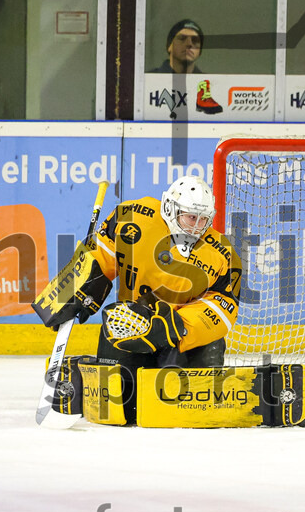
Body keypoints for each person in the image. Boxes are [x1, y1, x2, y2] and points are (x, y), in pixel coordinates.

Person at [33, 175, 241, 423]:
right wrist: (77, 285)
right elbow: (102, 252)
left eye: (203, 219)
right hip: (131, 325)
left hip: (181, 336)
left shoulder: (222, 254)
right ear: (170, 208)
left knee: (188, 411)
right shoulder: (132, 216)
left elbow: (223, 309)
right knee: (123, 411)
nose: (196, 227)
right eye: (190, 217)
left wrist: (177, 325)